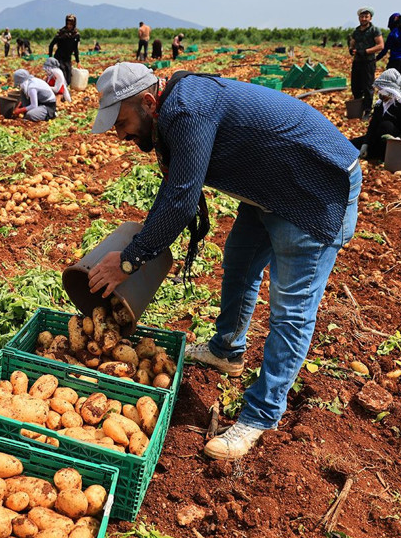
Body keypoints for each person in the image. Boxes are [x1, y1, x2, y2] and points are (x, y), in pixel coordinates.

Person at [86, 63, 361, 460]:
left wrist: (129, 262)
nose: (121, 134)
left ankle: (261, 415)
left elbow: (181, 202)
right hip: (272, 183)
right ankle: (227, 349)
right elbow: (174, 189)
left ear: (148, 102)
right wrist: (137, 247)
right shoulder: (171, 110)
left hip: (314, 188)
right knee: (240, 262)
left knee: (291, 309)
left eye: (123, 121)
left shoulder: (186, 110)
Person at [351, 69, 401, 161]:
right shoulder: (380, 105)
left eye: (382, 90)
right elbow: (373, 126)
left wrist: (397, 140)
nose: (380, 93)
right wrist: (365, 144)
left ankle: (378, 155)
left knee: (386, 125)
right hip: (378, 139)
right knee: (351, 144)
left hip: (396, 144)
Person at [349, 7, 384, 119]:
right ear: (359, 18)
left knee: (368, 87)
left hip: (368, 62)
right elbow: (352, 43)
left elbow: (380, 45)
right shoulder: (357, 31)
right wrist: (351, 49)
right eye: (361, 17)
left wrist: (365, 51)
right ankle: (358, 110)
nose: (363, 19)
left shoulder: (374, 30)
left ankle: (368, 111)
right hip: (357, 61)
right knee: (355, 86)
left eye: (366, 17)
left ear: (370, 18)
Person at [48, 14, 80, 86]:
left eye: (71, 24)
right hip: (59, 57)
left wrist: (78, 61)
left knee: (68, 78)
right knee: (62, 75)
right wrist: (50, 58)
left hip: (67, 58)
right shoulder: (61, 33)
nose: (69, 26)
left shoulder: (76, 34)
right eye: (68, 24)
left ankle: (64, 92)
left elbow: (75, 49)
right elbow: (51, 45)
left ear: (74, 24)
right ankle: (61, 94)